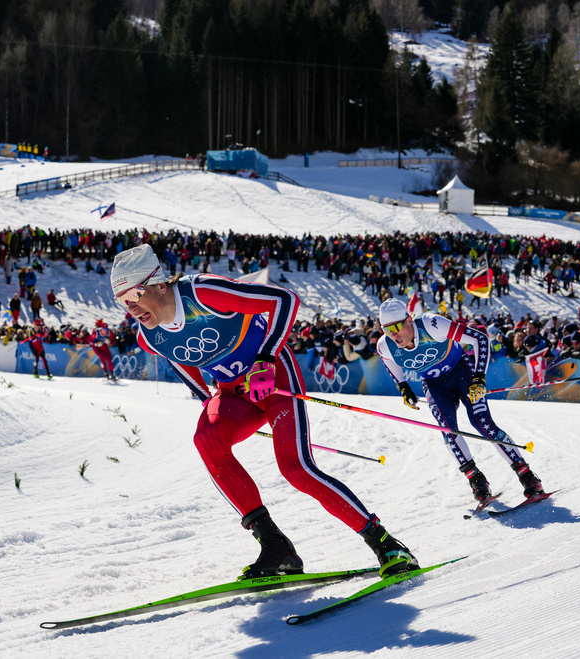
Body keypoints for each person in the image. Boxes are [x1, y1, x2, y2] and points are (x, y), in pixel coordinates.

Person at [110, 243, 418, 580]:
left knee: (296, 469)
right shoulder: (149, 335)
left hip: (274, 378)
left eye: (134, 295)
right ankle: (275, 545)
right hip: (234, 393)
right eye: (121, 302)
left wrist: (266, 357)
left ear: (158, 282)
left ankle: (385, 543)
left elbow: (284, 301)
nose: (130, 307)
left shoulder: (202, 292)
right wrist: (207, 400)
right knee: (207, 438)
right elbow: (181, 361)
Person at [374, 298, 544, 504]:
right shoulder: (385, 345)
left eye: (397, 326)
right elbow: (389, 362)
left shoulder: (431, 324)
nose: (393, 334)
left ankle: (526, 474)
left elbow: (479, 339)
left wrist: (480, 377)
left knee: (482, 424)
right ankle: (477, 480)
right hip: (435, 385)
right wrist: (403, 386)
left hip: (462, 373)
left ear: (409, 320)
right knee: (449, 431)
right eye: (386, 329)